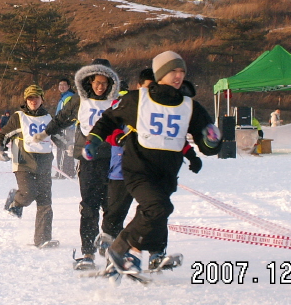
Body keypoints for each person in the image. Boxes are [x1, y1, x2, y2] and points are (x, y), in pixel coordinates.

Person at [84, 51, 222, 280]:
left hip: (166, 173)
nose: (178, 76)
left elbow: (207, 145)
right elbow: (108, 119)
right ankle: (125, 252)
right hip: (138, 168)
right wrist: (93, 141)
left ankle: (135, 253)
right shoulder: (139, 100)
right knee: (158, 208)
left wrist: (211, 140)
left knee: (156, 213)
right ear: (159, 74)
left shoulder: (190, 107)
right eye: (172, 71)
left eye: (181, 71)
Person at [43, 58, 121, 270]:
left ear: (111, 82)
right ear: (89, 81)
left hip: (113, 160)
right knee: (89, 206)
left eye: (104, 82)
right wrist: (45, 132)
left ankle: (113, 250)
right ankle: (87, 251)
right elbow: (62, 118)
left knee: (112, 207)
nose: (100, 86)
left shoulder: (119, 101)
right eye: (96, 82)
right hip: (88, 161)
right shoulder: (80, 101)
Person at [0, 85, 61, 248]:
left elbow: (57, 136)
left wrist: (72, 147)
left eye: (36, 98)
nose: (33, 101)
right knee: (29, 192)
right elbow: (4, 134)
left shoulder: (48, 117)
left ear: (42, 99)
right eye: (30, 98)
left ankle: (43, 239)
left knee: (45, 201)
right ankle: (15, 199)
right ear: (26, 100)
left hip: (44, 163)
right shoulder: (19, 117)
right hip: (23, 162)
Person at [53, 78, 76, 179]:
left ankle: (62, 172)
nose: (61, 87)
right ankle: (70, 171)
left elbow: (66, 114)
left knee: (62, 148)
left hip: (66, 127)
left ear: (69, 86)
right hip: (67, 127)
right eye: (60, 85)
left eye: (64, 85)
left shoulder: (68, 97)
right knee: (68, 149)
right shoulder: (65, 97)